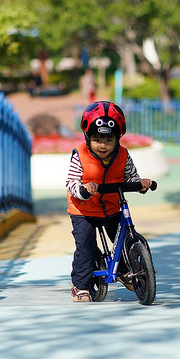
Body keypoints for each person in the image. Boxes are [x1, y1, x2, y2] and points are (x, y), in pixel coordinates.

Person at [66, 101, 152, 302]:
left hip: (112, 206)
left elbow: (130, 177)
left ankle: (123, 270)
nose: (102, 145)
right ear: (88, 137)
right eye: (97, 139)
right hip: (83, 210)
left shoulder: (123, 155)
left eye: (108, 139)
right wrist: (83, 189)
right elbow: (71, 182)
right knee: (86, 246)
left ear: (117, 139)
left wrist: (140, 183)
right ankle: (80, 286)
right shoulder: (80, 154)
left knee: (121, 240)